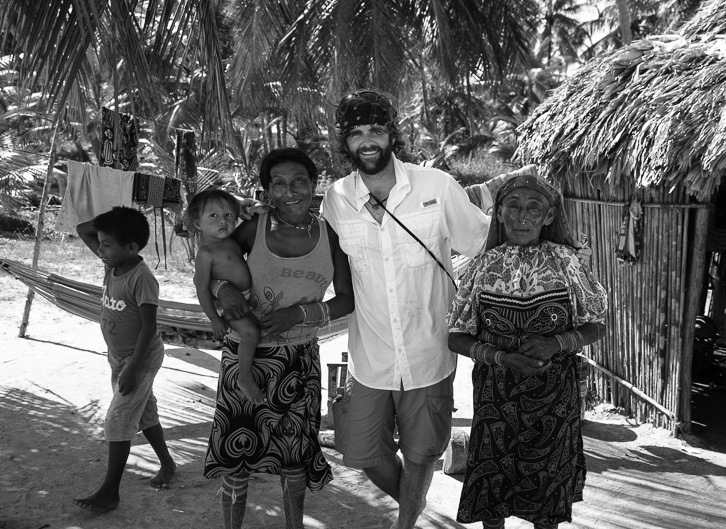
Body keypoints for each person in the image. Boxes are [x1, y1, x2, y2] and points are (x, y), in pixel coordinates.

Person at [320, 89, 493, 529]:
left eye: (376, 129)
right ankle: (414, 509)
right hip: (370, 356)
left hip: (429, 352)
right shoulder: (335, 200)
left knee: (422, 453)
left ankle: (405, 525)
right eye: (356, 133)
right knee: (363, 452)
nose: (368, 141)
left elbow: (482, 242)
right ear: (346, 142)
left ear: (391, 132)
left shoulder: (435, 186)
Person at [446, 174, 608, 529]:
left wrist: (556, 343)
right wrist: (502, 357)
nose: (522, 216)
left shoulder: (568, 264)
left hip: (553, 402)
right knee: (493, 489)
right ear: (498, 213)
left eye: (534, 208)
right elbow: (455, 336)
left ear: (549, 217)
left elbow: (596, 323)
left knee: (546, 493)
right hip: (495, 402)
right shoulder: (482, 268)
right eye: (513, 207)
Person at [204, 148, 355, 529]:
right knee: (236, 459)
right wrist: (223, 288)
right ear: (268, 189)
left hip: (299, 361)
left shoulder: (330, 235)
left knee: (294, 457)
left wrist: (298, 314)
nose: (290, 191)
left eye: (299, 181)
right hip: (245, 359)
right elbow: (214, 262)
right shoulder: (254, 228)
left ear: (314, 184)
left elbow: (347, 300)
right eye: (279, 183)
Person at [74, 206, 176, 513]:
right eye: (101, 243)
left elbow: (149, 328)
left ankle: (110, 492)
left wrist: (133, 370)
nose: (100, 249)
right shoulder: (113, 263)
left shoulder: (142, 278)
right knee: (144, 413)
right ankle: (168, 464)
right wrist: (110, 223)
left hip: (139, 359)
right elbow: (83, 229)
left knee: (117, 421)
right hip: (119, 357)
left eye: (107, 244)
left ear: (131, 247)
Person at [186, 189, 265, 404]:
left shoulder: (231, 241)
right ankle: (245, 377)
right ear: (197, 224)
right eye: (213, 216)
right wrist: (213, 318)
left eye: (229, 215)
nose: (223, 221)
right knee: (250, 332)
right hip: (227, 305)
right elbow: (201, 287)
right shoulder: (206, 252)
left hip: (248, 298)